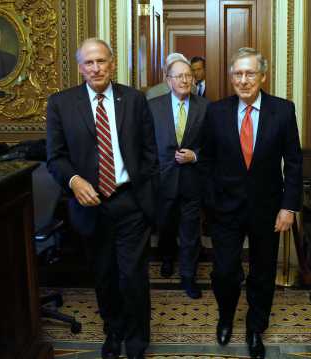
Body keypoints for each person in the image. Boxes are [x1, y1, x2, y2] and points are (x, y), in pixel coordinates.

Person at [46, 38, 158, 359]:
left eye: (101, 61)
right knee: (104, 275)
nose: (96, 68)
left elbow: (150, 153)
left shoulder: (135, 100)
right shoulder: (61, 104)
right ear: (80, 68)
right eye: (89, 63)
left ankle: (137, 340)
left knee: (133, 276)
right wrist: (74, 179)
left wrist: (144, 193)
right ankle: (114, 330)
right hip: (89, 206)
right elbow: (55, 157)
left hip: (130, 202)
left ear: (113, 63)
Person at [202, 47, 302, 359]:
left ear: (263, 76)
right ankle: (226, 317)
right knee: (225, 272)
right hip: (225, 210)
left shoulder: (283, 111)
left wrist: (289, 208)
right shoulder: (215, 112)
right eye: (238, 74)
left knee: (262, 272)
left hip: (268, 210)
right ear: (231, 77)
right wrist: (211, 204)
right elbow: (205, 161)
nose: (243, 80)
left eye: (250, 73)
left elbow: (295, 163)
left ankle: (255, 327)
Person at [148, 53, 208, 298]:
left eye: (188, 75)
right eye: (179, 76)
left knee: (191, 231)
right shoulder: (152, 106)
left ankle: (188, 276)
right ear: (168, 80)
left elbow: (214, 145)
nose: (185, 80)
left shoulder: (205, 107)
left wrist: (195, 156)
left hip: (192, 180)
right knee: (165, 226)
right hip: (161, 179)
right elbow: (144, 144)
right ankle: (166, 258)